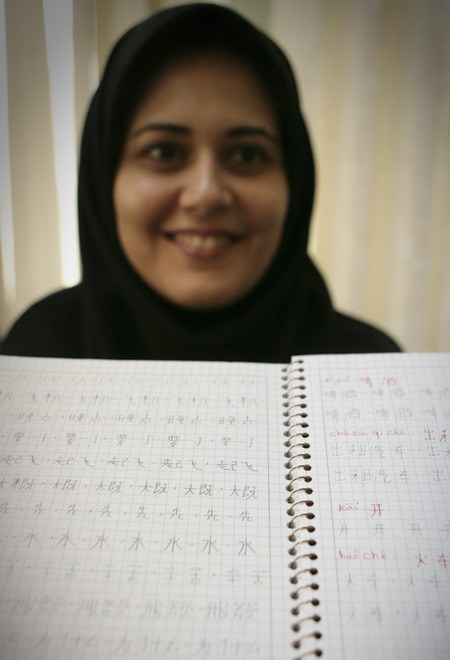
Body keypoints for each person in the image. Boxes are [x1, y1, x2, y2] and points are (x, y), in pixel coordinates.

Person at [1, 2, 400, 361]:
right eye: (163, 152)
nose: (206, 193)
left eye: (247, 155)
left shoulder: (372, 368)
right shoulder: (35, 353)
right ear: (105, 179)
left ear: (295, 182)